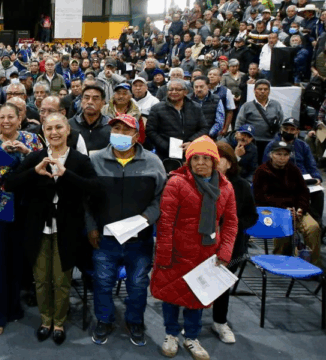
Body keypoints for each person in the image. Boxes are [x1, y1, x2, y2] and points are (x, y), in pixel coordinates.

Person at [4, 113, 100, 345]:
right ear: (43, 132)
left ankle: (59, 322)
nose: (54, 133)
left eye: (58, 127)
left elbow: (95, 188)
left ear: (68, 130)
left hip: (67, 228)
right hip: (38, 227)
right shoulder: (36, 157)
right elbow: (9, 184)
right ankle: (45, 320)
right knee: (41, 279)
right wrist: (33, 172)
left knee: (61, 280)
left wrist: (67, 174)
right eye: (49, 129)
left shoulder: (79, 159)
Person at [152, 136, 238, 360]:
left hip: (206, 253)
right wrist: (164, 253)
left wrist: (225, 251)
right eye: (195, 158)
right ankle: (171, 335)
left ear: (214, 161)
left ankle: (191, 337)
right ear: (188, 161)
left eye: (206, 158)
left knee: (196, 299)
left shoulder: (226, 187)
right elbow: (165, 222)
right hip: (176, 252)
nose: (200, 163)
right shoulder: (176, 183)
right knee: (171, 295)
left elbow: (230, 222)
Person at [88, 115, 166, 346]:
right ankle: (104, 319)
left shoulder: (153, 162)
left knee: (138, 284)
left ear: (136, 135)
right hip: (105, 239)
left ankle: (135, 321)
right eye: (116, 129)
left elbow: (161, 198)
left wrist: (147, 217)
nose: (120, 134)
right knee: (102, 282)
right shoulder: (95, 160)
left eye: (126, 130)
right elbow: (85, 199)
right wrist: (91, 227)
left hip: (139, 240)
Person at [0, 103, 42, 335]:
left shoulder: (32, 140)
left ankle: (13, 307)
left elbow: (43, 169)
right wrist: (3, 156)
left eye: (11, 117)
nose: (6, 121)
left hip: (27, 208)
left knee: (18, 261)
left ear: (20, 119)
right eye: (2, 117)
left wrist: (27, 153)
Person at [212, 141, 258, 344]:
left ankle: (220, 322)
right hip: (202, 244)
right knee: (196, 283)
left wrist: (233, 226)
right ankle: (192, 321)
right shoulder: (199, 182)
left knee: (222, 287)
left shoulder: (241, 186)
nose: (213, 162)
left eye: (219, 158)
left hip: (231, 244)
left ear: (230, 162)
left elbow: (252, 216)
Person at [254, 141, 322, 268]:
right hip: (275, 211)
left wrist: (301, 208)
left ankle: (312, 264)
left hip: (297, 210)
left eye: (285, 155)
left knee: (313, 228)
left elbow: (304, 191)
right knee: (283, 228)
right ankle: (280, 260)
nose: (282, 158)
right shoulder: (261, 172)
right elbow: (260, 198)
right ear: (271, 155)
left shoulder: (294, 170)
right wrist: (283, 209)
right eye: (278, 154)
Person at [146, 80, 209, 159]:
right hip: (165, 154)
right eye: (171, 89)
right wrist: (167, 146)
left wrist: (192, 142)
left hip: (191, 152)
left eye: (178, 89)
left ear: (185, 92)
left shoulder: (195, 107)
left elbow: (204, 128)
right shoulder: (157, 108)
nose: (174, 92)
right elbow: (150, 131)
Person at [235, 79, 284, 161]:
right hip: (252, 142)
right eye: (260, 89)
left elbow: (281, 122)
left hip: (271, 141)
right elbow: (239, 124)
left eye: (265, 89)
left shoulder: (276, 105)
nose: (262, 91)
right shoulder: (247, 106)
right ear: (254, 91)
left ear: (269, 91)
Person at [69, 85, 112, 153]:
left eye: (95, 99)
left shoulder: (110, 126)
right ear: (81, 101)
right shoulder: (70, 125)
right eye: (86, 98)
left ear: (103, 103)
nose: (90, 102)